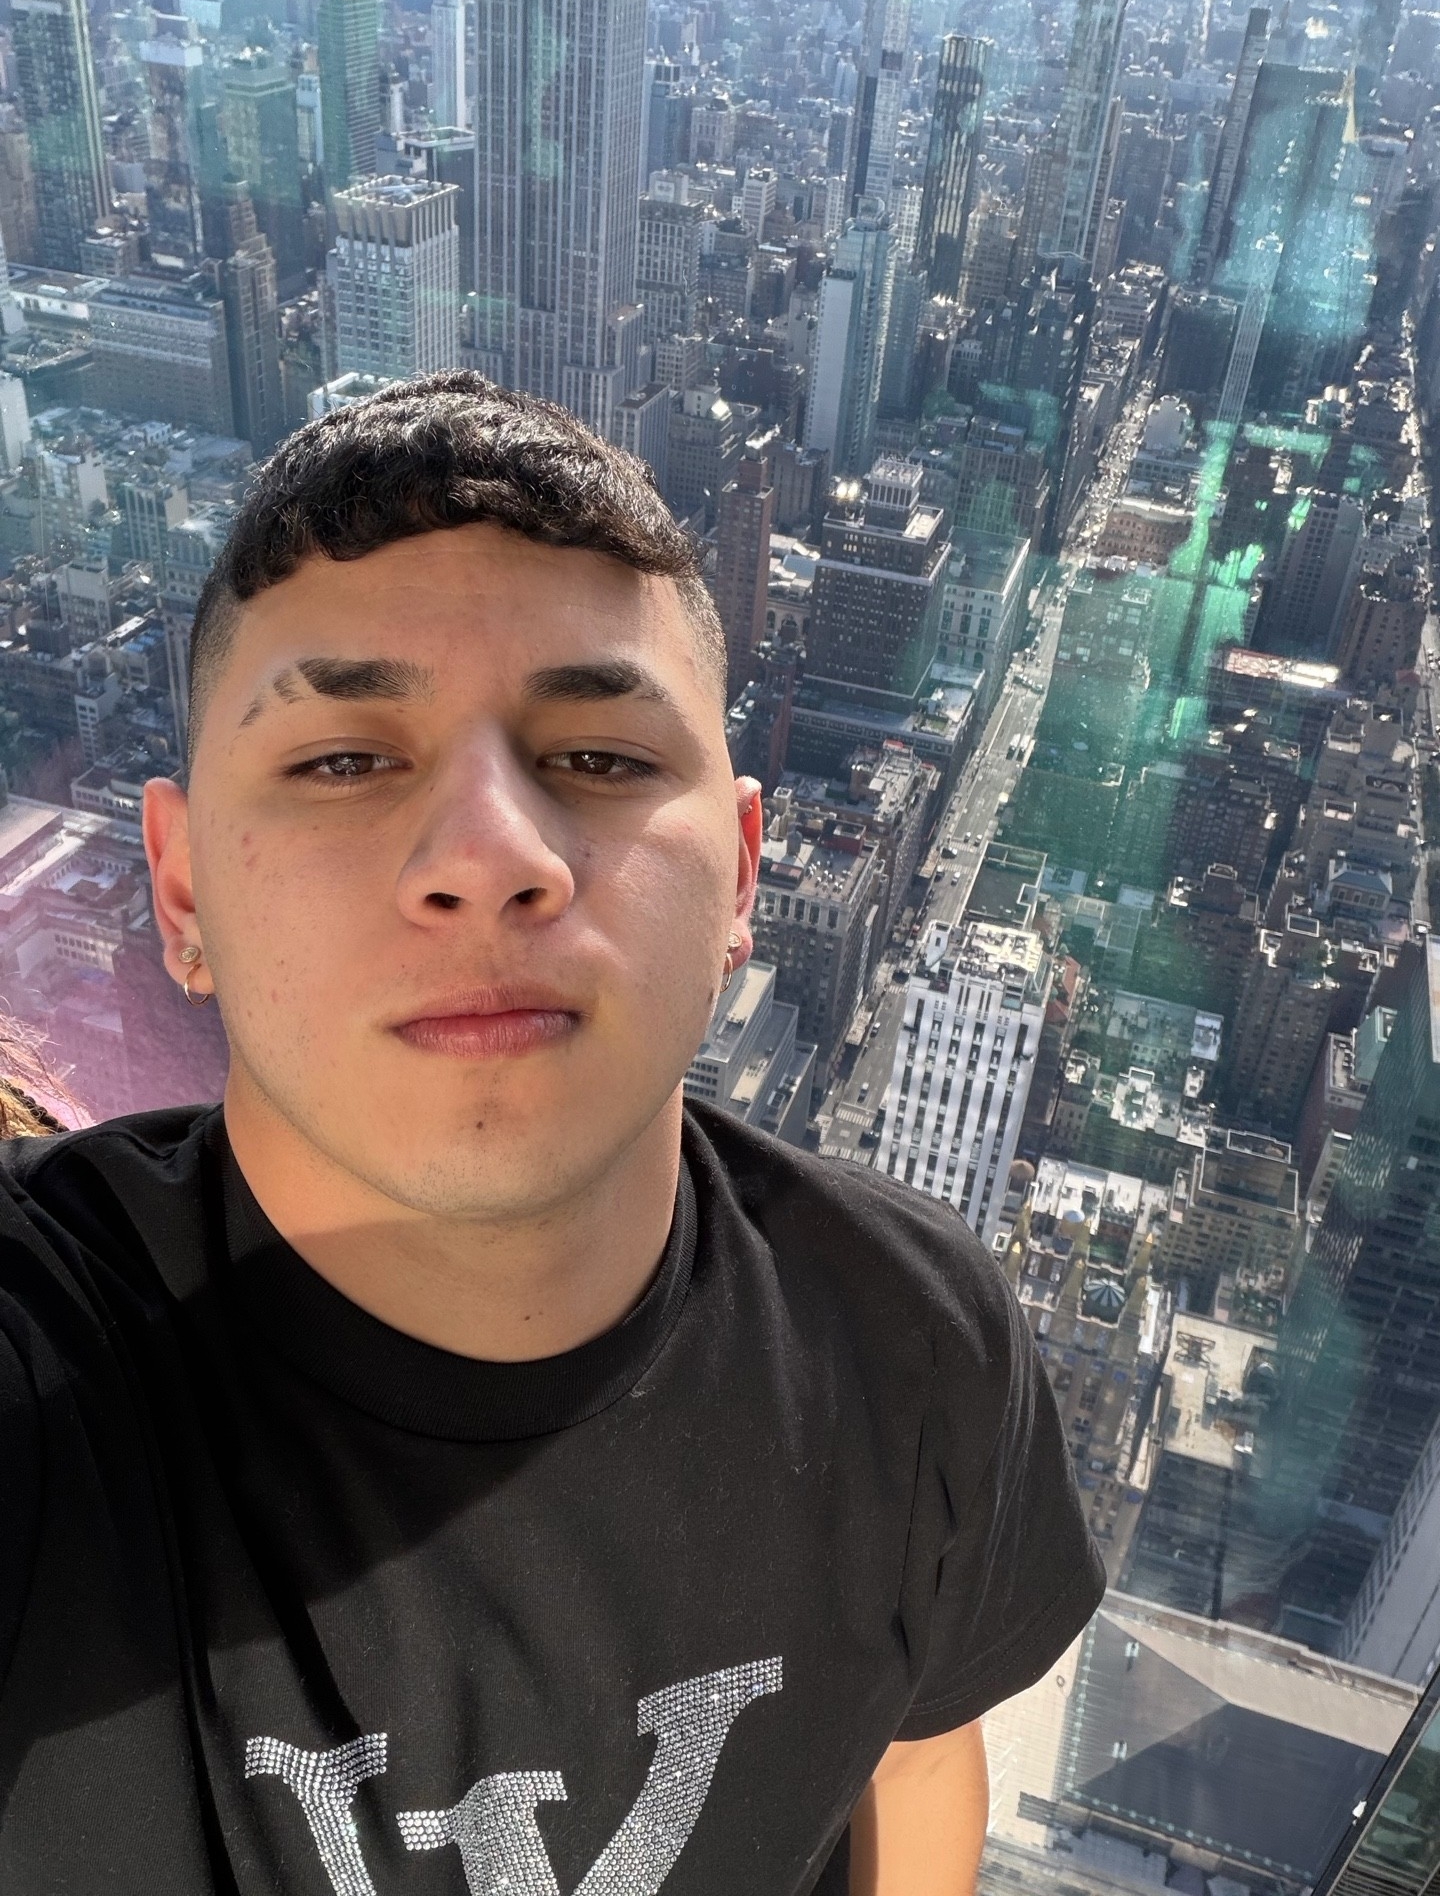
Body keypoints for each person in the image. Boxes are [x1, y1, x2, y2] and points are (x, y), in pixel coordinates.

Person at [0, 372, 1105, 1895]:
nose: (487, 855)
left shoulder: (916, 1344)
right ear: (182, 891)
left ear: (740, 877)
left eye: (599, 757)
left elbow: (911, 1752)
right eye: (342, 758)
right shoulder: (44, 1386)